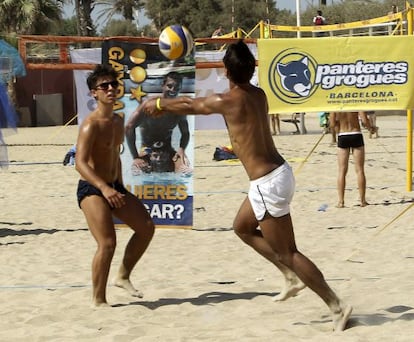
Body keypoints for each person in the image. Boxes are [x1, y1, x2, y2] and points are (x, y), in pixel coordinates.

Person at [141, 40, 352, 332]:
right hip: (279, 174)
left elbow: (191, 105)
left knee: (289, 252)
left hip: (267, 183)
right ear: (251, 68)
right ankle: (290, 277)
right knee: (241, 227)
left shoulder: (228, 100)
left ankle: (335, 304)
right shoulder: (259, 94)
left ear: (225, 70)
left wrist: (160, 103)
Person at [75, 64, 155, 307]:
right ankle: (98, 300)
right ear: (94, 93)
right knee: (107, 243)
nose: (110, 89)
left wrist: (118, 185)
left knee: (146, 228)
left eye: (114, 85)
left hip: (113, 185)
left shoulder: (118, 120)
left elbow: (114, 155)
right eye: (104, 86)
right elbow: (80, 163)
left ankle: (123, 276)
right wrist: (105, 188)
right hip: (92, 188)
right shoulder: (91, 124)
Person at [125, 71, 191, 174]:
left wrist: (182, 149)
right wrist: (135, 157)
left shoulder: (179, 109)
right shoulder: (149, 105)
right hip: (147, 150)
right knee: (137, 172)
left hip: (168, 150)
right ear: (163, 86)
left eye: (177, 87)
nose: (173, 90)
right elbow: (129, 127)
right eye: (169, 86)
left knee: (185, 171)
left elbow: (185, 133)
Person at [330, 111, 375, 208]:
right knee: (360, 170)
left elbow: (332, 123)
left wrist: (338, 127)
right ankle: (362, 200)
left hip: (343, 134)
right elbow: (364, 120)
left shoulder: (337, 104)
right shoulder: (355, 101)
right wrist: (370, 128)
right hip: (356, 133)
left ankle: (341, 201)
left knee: (342, 171)